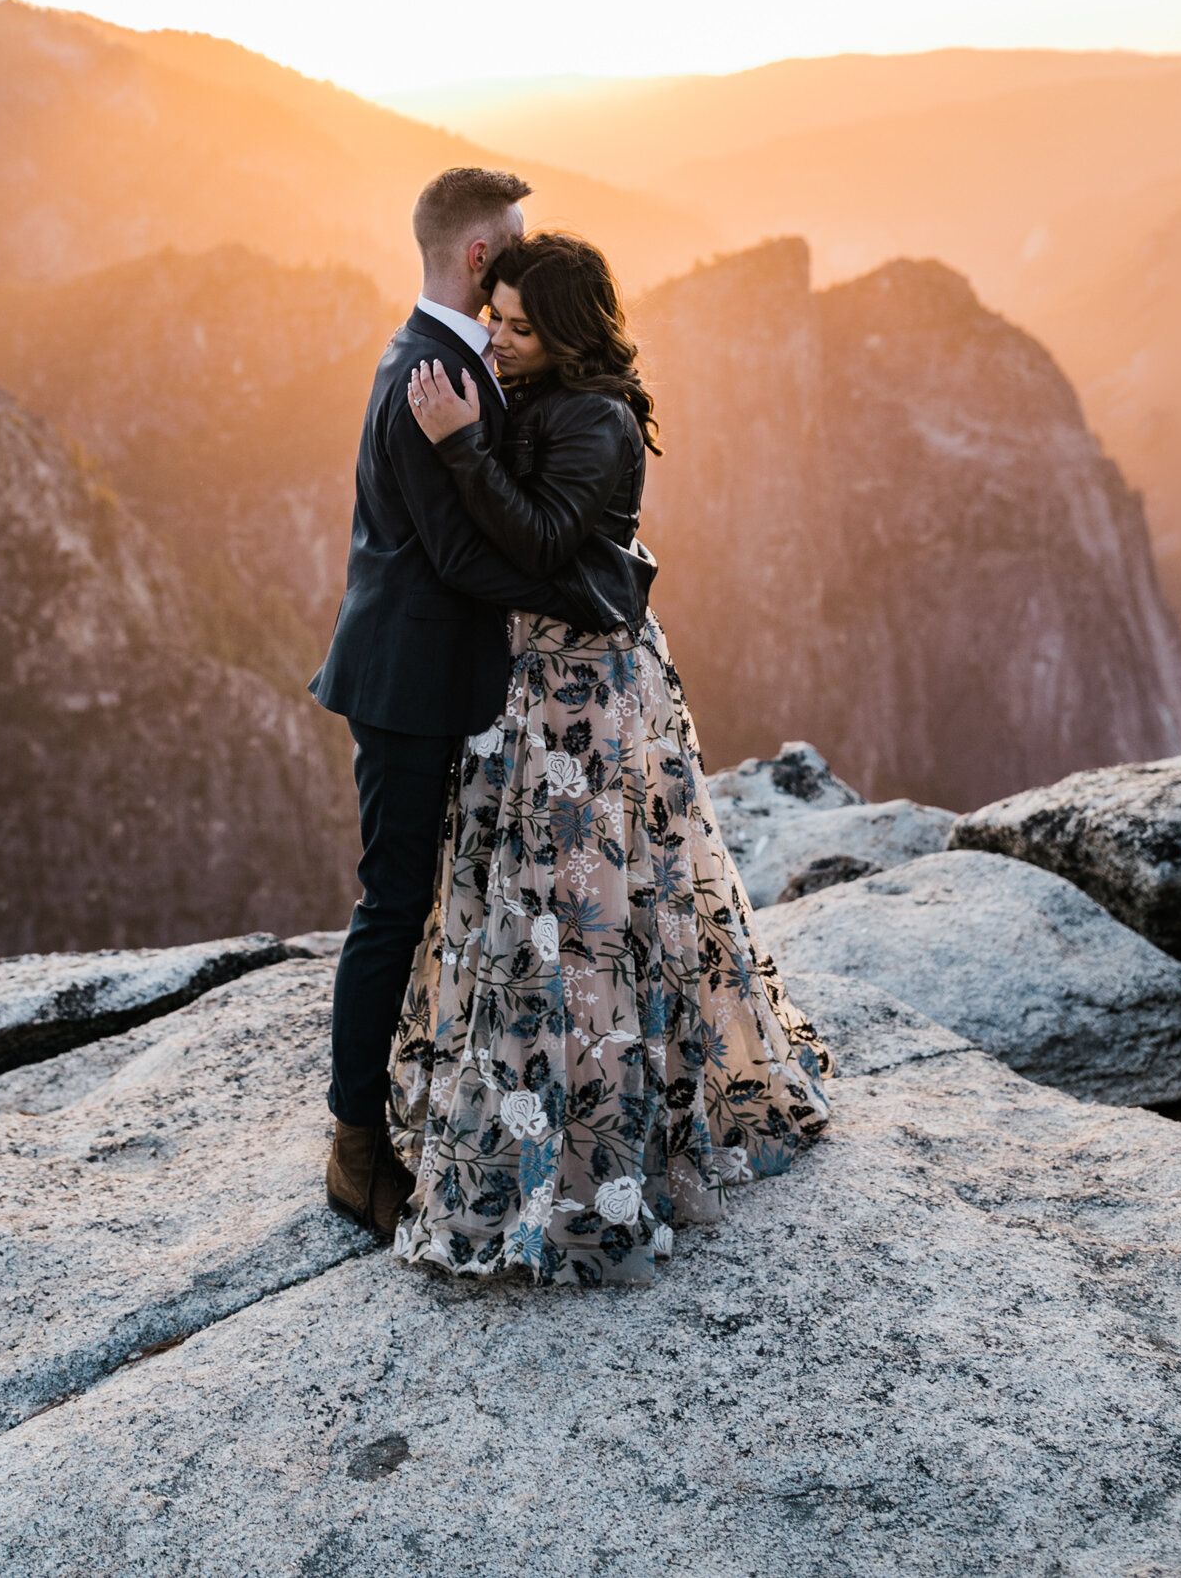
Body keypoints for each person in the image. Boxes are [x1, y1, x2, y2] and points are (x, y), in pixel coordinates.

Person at [387, 228, 832, 1286]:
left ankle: (594, 1154)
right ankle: (527, 1118)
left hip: (580, 701)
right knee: (531, 905)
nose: (495, 337)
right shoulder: (543, 395)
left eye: (520, 326)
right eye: (492, 315)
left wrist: (454, 441)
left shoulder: (597, 417)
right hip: (534, 689)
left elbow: (539, 541)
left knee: (581, 912)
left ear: (570, 333)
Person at [311, 167, 571, 1240]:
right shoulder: (427, 373)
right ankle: (352, 1144)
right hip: (407, 687)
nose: (517, 258)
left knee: (426, 896)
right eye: (509, 246)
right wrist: (587, 587)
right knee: (390, 905)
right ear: (478, 256)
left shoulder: (453, 358)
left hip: (435, 676)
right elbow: (459, 554)